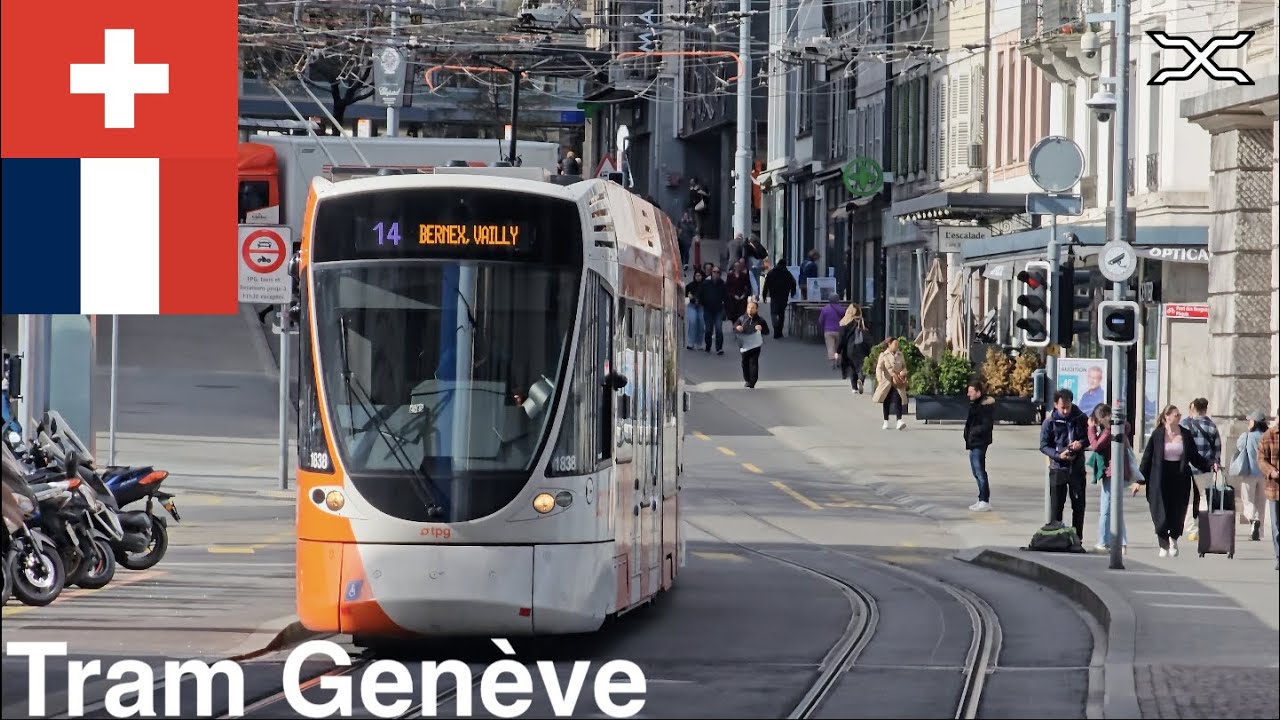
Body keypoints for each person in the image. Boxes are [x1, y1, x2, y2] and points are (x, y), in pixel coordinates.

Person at [1133, 404, 1217, 558]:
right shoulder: (1157, 435)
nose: (1179, 417)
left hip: (1180, 477)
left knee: (1177, 511)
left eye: (1179, 415)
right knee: (1160, 510)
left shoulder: (1185, 434)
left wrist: (1211, 464)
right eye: (1176, 415)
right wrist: (1139, 481)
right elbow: (1146, 458)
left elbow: (1194, 457)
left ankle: (1173, 538)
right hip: (1159, 478)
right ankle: (1163, 542)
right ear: (1167, 416)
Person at [1040, 389, 1090, 541]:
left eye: (1068, 406)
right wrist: (1058, 454)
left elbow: (1088, 438)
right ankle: (1056, 537)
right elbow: (1043, 445)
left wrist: (1080, 444)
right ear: (1055, 405)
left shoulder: (1081, 417)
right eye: (1062, 407)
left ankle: (1077, 538)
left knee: (1078, 505)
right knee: (1056, 506)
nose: (1066, 410)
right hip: (1058, 468)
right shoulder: (1050, 422)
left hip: (1077, 468)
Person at [1087, 403, 1131, 553]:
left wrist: (1091, 429)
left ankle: (1103, 541)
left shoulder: (1108, 430)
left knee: (1106, 509)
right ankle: (1122, 543)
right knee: (1115, 508)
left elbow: (1096, 446)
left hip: (1111, 471)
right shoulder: (1120, 426)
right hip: (1119, 470)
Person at [1179, 398, 1221, 538]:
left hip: (1186, 467)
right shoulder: (1211, 426)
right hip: (1204, 467)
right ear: (1205, 409)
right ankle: (1203, 527)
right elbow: (1217, 448)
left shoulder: (1184, 424)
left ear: (1193, 408)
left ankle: (1191, 529)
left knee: (1189, 498)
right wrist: (1215, 462)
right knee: (1204, 497)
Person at [1232, 410, 1268, 542]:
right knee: (1261, 503)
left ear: (1254, 422)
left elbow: (1240, 447)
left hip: (1249, 473)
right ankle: (1259, 530)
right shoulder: (1267, 436)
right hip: (1265, 474)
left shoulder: (1246, 436)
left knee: (1248, 501)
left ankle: (1253, 520)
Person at [963, 377, 996, 512]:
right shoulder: (975, 404)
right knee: (975, 471)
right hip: (973, 442)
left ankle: (984, 500)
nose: (968, 394)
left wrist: (973, 433)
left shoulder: (985, 406)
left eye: (971, 391)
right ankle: (981, 498)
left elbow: (985, 425)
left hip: (979, 442)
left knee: (980, 471)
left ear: (978, 392)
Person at [1252, 408, 1279, 570]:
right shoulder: (1268, 436)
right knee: (1276, 525)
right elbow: (1261, 460)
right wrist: (1271, 471)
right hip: (1274, 488)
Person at [872, 338, 908, 430]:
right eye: (894, 344)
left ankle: (899, 420)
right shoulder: (883, 355)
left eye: (897, 344)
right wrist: (879, 379)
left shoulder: (900, 355)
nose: (896, 346)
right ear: (889, 344)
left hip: (897, 381)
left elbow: (904, 366)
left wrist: (903, 372)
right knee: (886, 401)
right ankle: (886, 420)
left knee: (898, 399)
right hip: (886, 382)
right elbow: (879, 368)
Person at [733, 298, 769, 388]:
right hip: (744, 344)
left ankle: (752, 381)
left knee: (753, 362)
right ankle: (747, 379)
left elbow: (767, 331)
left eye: (753, 308)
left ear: (756, 309)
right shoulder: (741, 319)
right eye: (749, 307)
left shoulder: (760, 320)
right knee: (744, 362)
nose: (750, 309)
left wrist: (761, 328)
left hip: (755, 344)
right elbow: (734, 327)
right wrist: (737, 327)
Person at [836, 305, 871, 393]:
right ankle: (861, 380)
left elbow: (842, 339)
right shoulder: (864, 321)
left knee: (852, 367)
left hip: (850, 348)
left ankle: (854, 388)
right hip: (862, 347)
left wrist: (838, 351)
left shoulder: (846, 323)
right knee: (862, 366)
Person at [697, 265, 727, 354]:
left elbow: (726, 297)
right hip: (708, 310)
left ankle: (719, 348)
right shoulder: (706, 283)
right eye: (714, 272)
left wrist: (726, 310)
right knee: (708, 329)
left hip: (718, 310)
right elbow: (699, 294)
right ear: (711, 273)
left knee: (718, 329)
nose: (715, 274)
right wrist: (700, 302)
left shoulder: (722, 284)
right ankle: (708, 345)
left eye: (717, 272)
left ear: (720, 274)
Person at [763, 260, 797, 338]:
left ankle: (775, 328)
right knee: (781, 314)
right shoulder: (787, 273)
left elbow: (766, 285)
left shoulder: (771, 273)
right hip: (784, 296)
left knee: (774, 313)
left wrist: (764, 295)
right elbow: (793, 283)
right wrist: (792, 293)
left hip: (774, 296)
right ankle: (779, 331)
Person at [817, 293, 847, 369]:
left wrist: (823, 327)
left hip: (828, 331)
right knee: (838, 348)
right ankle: (838, 361)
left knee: (830, 347)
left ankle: (832, 362)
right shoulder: (841, 309)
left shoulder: (825, 309)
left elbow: (821, 320)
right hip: (839, 331)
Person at [684, 269, 705, 350]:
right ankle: (691, 342)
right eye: (696, 275)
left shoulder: (705, 285)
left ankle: (699, 343)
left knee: (701, 323)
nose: (698, 277)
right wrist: (690, 298)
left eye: (699, 275)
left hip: (702, 306)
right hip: (692, 306)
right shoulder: (690, 285)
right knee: (692, 322)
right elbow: (686, 294)